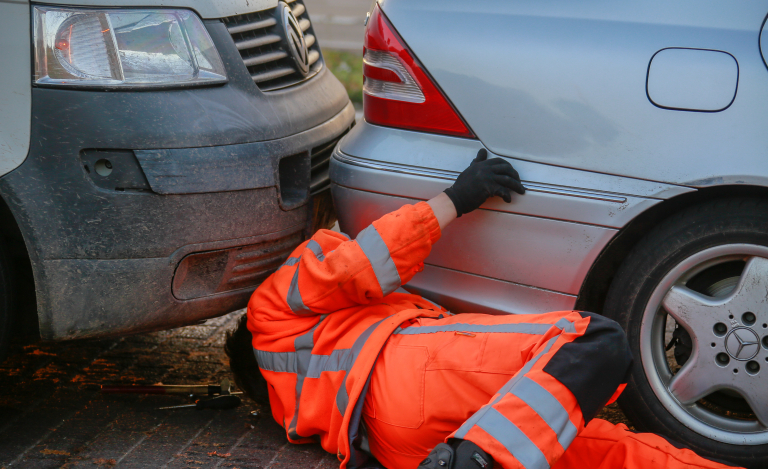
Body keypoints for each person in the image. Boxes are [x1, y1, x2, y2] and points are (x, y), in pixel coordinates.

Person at [226, 149, 739, 469]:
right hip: (416, 378)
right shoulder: (270, 306)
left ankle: (474, 456)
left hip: (401, 446)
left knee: (609, 450)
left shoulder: (287, 398)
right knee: (594, 342)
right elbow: (363, 265)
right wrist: (456, 197)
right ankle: (475, 459)